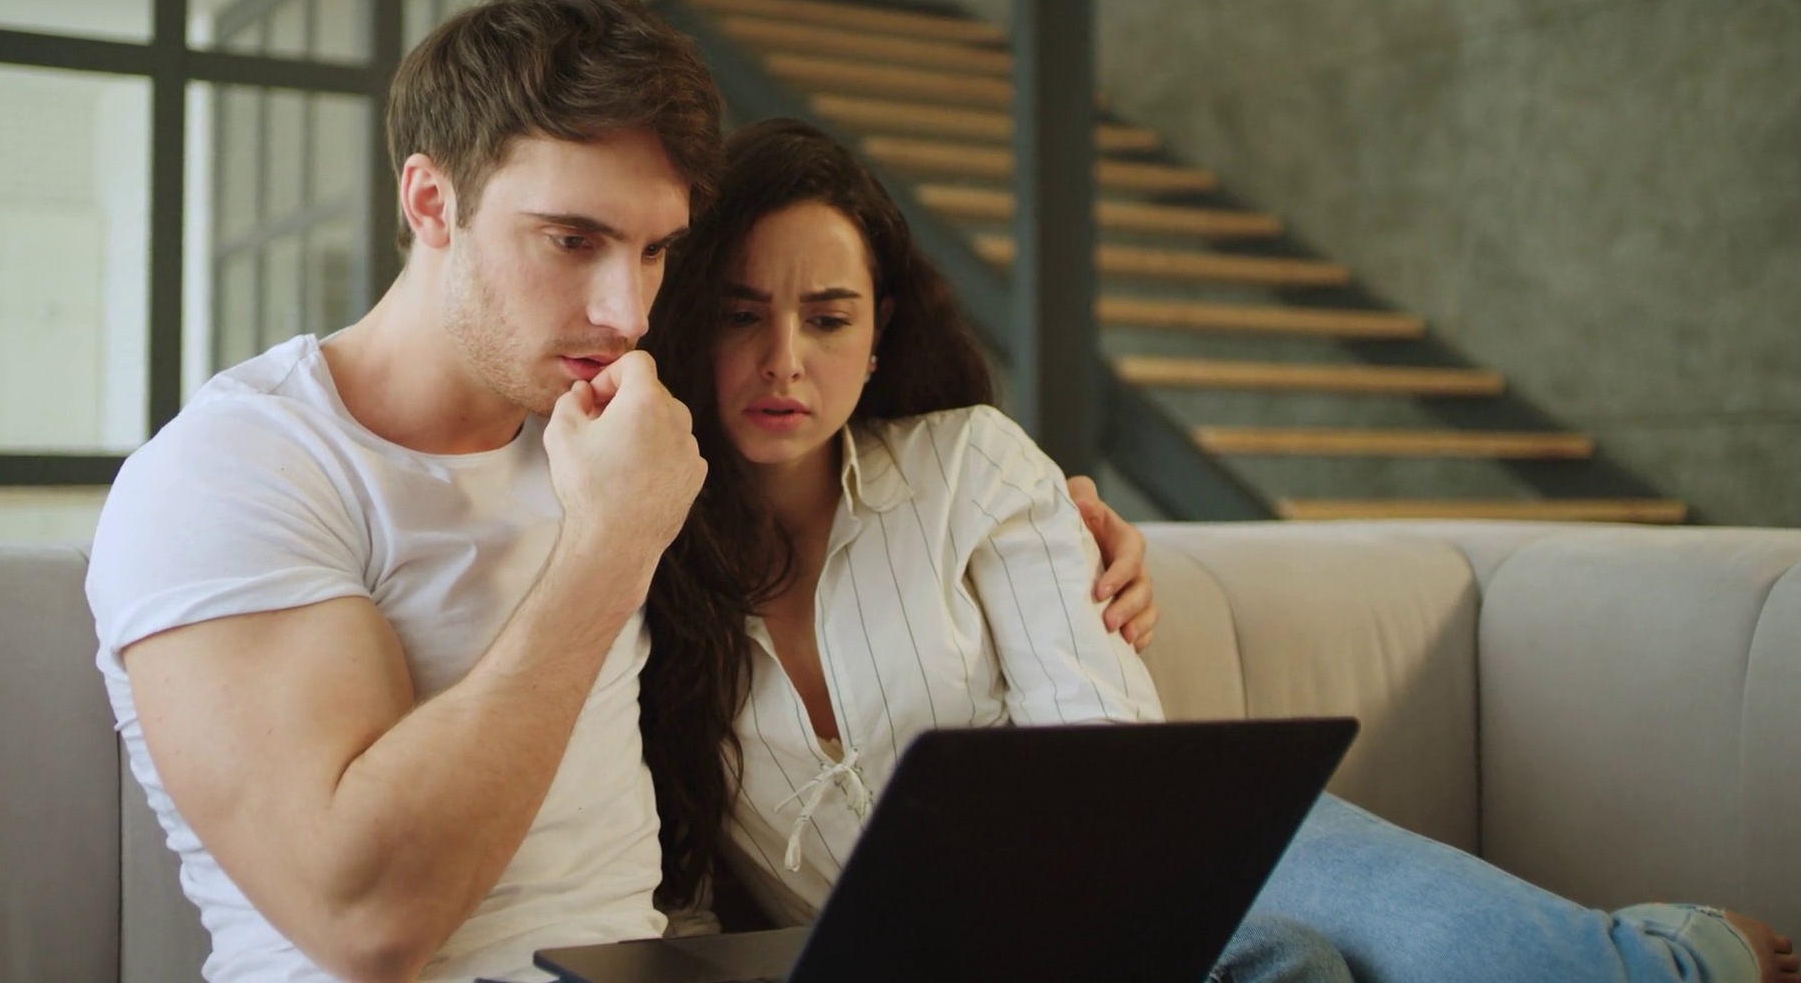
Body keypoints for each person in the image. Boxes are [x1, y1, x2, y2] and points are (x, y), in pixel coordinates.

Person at [84, 0, 1156, 983]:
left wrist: (1068, 542)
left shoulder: (607, 424)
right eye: (572, 239)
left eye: (653, 252)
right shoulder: (237, 474)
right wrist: (607, 550)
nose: (626, 313)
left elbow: (851, 471)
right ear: (430, 200)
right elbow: (369, 919)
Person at [635, 117, 1801, 983]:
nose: (785, 358)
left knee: (1527, 974)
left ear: (880, 334)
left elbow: (1110, 756)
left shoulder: (968, 467)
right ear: (691, 319)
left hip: (1139, 871)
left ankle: (1680, 954)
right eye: (742, 313)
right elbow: (667, 895)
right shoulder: (633, 550)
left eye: (828, 317)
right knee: (1288, 968)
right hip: (927, 965)